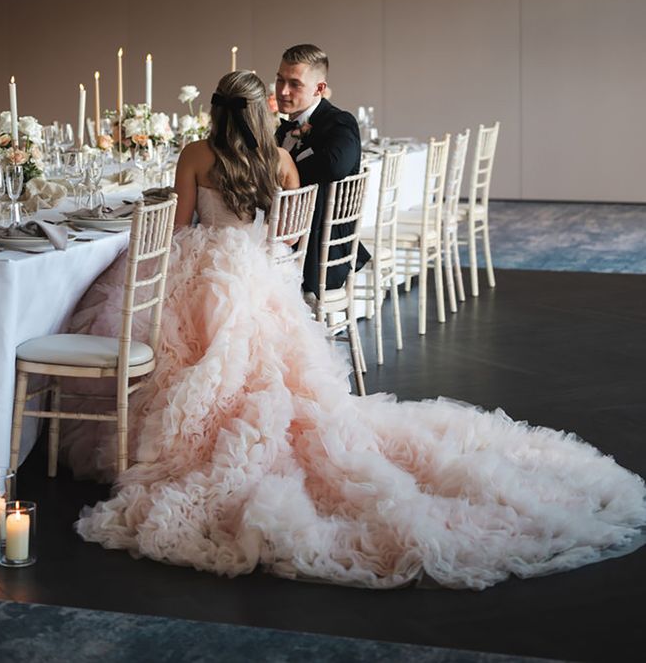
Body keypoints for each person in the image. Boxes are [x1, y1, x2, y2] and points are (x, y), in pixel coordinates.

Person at [68, 70, 646, 591]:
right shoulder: (279, 160)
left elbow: (174, 226)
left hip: (206, 274)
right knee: (270, 372)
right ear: (261, 113)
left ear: (216, 113)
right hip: (259, 278)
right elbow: (291, 237)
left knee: (180, 346)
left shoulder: (196, 153)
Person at [275, 44, 369, 295]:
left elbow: (334, 165)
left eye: (294, 84)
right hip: (288, 232)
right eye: (280, 80)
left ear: (319, 88)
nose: (283, 91)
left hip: (317, 248)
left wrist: (285, 169)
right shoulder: (284, 128)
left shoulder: (339, 123)